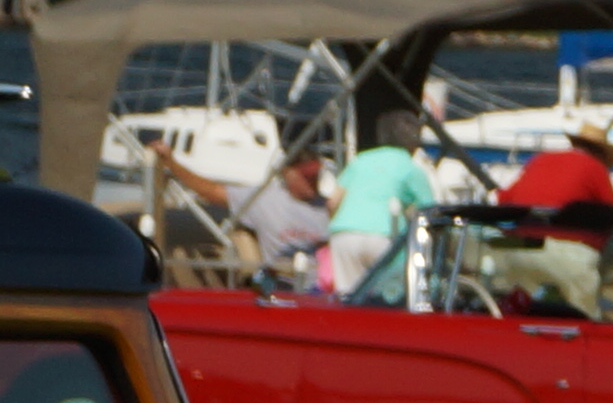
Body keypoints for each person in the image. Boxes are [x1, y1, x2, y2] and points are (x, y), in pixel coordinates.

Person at [476, 116, 613, 315]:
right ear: (600, 154)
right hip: (565, 251)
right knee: (583, 314)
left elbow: (503, 199)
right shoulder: (595, 167)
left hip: (516, 246)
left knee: (523, 309)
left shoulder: (541, 159)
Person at [151, 129, 330, 290]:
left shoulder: (329, 206)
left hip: (326, 285)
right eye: (306, 176)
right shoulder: (264, 199)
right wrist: (171, 163)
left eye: (316, 175)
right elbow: (211, 191)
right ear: (287, 172)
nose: (313, 181)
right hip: (285, 283)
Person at [319, 103, 440, 304]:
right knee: (387, 300)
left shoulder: (361, 160)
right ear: (414, 144)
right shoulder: (411, 168)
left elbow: (332, 203)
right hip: (384, 237)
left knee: (347, 301)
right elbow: (431, 213)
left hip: (344, 235)